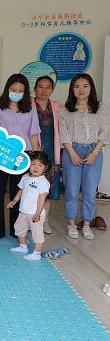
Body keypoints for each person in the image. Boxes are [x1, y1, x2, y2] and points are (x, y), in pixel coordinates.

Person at [0, 74, 40, 241]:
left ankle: (18, 230)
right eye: (13, 90)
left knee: (19, 193)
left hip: (23, 155)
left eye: (20, 91)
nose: (16, 93)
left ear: (25, 92)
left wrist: (36, 159)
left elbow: (33, 134)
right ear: (7, 89)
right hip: (0, 154)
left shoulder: (30, 107)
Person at [59, 73, 108, 240]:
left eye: (85, 86)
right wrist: (72, 153)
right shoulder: (65, 109)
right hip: (72, 150)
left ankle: (87, 224)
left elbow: (104, 132)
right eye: (77, 86)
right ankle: (71, 223)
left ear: (91, 88)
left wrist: (94, 153)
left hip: (94, 151)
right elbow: (64, 134)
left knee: (89, 190)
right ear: (72, 89)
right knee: (72, 189)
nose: (81, 90)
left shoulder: (101, 108)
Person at [6, 151, 50, 261]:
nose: (36, 168)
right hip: (24, 210)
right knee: (19, 228)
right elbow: (21, 190)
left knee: (37, 233)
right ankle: (23, 246)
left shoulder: (43, 182)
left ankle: (37, 253)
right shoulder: (25, 177)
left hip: (35, 213)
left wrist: (38, 214)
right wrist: (14, 200)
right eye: (33, 164)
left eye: (40, 165)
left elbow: (42, 199)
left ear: (45, 167)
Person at [33, 76, 62, 234]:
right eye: (40, 87)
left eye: (48, 87)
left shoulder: (57, 107)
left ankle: (44, 221)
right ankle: (31, 219)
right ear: (35, 88)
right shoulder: (28, 105)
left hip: (51, 151)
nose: (44, 91)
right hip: (33, 151)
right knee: (32, 187)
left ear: (52, 89)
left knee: (48, 189)